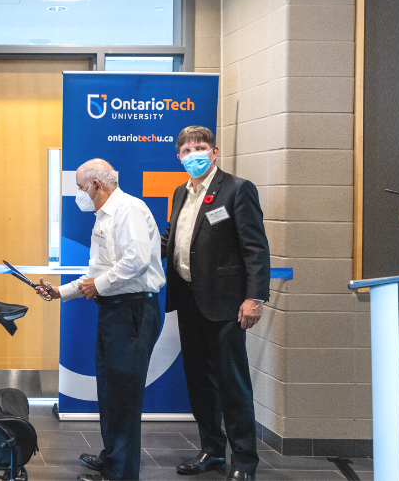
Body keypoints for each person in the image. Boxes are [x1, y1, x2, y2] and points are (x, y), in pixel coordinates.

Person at [36, 158, 165, 481]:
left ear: (97, 185)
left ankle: (121, 473)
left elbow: (135, 261)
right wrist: (60, 292)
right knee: (109, 392)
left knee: (124, 396)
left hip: (133, 311)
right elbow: (97, 272)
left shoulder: (127, 210)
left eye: (81, 188)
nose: (80, 194)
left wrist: (99, 285)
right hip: (113, 311)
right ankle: (113, 458)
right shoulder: (104, 215)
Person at [162, 126, 270, 481]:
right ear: (178, 157)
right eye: (187, 149)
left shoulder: (237, 190)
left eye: (201, 147)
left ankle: (243, 460)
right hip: (190, 300)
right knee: (199, 381)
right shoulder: (180, 192)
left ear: (214, 151)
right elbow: (175, 238)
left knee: (232, 382)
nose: (194, 153)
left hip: (226, 304)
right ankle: (211, 449)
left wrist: (254, 297)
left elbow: (255, 248)